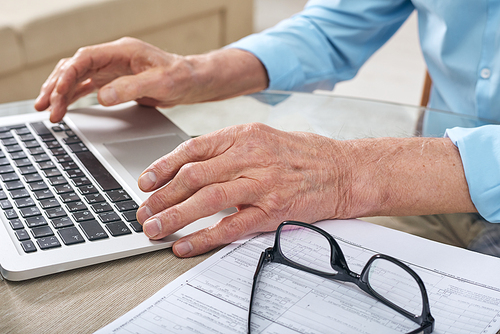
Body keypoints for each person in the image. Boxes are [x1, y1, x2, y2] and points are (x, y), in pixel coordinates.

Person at [35, 0, 500, 258]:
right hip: (430, 179)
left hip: (429, 176)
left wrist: (347, 173)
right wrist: (195, 72)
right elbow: (335, 27)